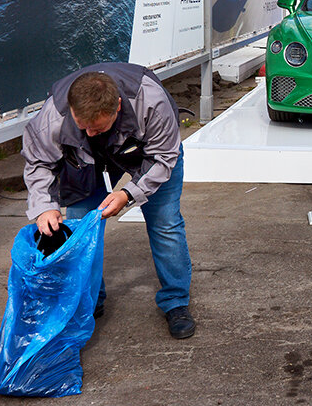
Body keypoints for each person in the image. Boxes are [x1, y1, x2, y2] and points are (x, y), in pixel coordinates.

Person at [21, 62, 196, 339]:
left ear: (116, 106)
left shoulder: (150, 102)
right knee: (80, 228)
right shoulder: (53, 116)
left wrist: (128, 194)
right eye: (83, 126)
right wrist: (44, 207)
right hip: (86, 161)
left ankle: (175, 302)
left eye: (97, 127)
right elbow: (39, 162)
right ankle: (90, 304)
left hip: (147, 155)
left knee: (165, 224)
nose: (90, 133)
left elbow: (164, 158)